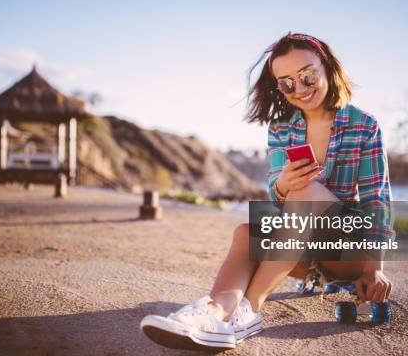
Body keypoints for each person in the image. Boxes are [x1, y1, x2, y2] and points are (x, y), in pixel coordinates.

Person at [140, 32, 394, 352]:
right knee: (247, 232)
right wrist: (283, 184)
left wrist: (375, 269)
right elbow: (278, 198)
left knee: (305, 195)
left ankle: (249, 310)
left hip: (347, 252)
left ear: (327, 66)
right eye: (287, 83)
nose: (299, 89)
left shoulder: (364, 124)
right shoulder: (281, 128)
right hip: (303, 253)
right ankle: (215, 313)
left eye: (307, 76)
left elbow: (377, 199)